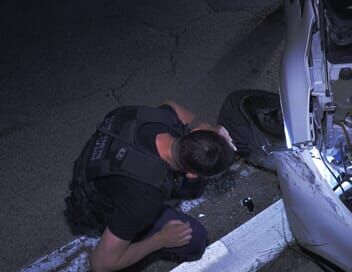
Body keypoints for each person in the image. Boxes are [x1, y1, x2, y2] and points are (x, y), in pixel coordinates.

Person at [64, 100, 236, 272]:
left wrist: (207, 129)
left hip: (98, 165)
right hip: (95, 202)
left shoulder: (158, 119)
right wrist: (160, 240)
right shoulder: (145, 199)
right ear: (192, 174)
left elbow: (173, 106)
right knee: (196, 240)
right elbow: (100, 264)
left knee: (191, 189)